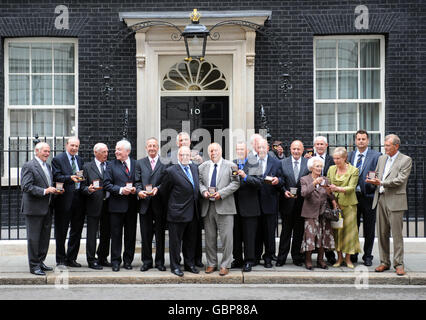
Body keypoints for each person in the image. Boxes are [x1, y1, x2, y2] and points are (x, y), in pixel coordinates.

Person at [367, 134, 412, 276]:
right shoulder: (382, 158)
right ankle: (384, 262)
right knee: (382, 233)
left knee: (397, 235)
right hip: (380, 198)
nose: (385, 148)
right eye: (384, 145)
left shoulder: (405, 160)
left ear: (396, 146)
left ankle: (399, 264)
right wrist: (373, 179)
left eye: (387, 145)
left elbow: (401, 180)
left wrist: (381, 183)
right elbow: (379, 174)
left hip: (396, 200)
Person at [199, 143, 240, 276]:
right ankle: (211, 263)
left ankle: (225, 264)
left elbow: (236, 183)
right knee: (210, 238)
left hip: (225, 206)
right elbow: (199, 182)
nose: (213, 153)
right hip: (208, 206)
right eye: (211, 151)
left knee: (227, 238)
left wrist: (221, 193)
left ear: (221, 151)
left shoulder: (231, 166)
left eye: (215, 150)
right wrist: (204, 191)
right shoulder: (202, 167)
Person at [161, 146, 200, 277]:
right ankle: (175, 266)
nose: (184, 157)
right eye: (182, 155)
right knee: (175, 242)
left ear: (190, 156)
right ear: (178, 156)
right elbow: (164, 192)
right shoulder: (171, 171)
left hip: (193, 212)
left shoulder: (194, 168)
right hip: (177, 212)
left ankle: (189, 264)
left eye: (187, 155)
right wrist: (173, 206)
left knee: (190, 241)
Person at [21, 142, 57, 275]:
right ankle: (34, 266)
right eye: (45, 151)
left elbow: (47, 184)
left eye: (48, 151)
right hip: (33, 209)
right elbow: (26, 186)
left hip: (46, 207)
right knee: (34, 238)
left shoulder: (47, 166)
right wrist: (45, 191)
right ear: (37, 151)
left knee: (44, 238)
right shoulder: (29, 166)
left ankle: (40, 262)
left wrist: (53, 190)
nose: (47, 154)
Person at [168, 131, 204, 268]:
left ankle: (192, 262)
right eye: (181, 140)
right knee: (176, 241)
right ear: (177, 144)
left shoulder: (196, 162)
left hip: (194, 208)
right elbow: (166, 188)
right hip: (178, 208)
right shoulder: (170, 161)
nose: (183, 142)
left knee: (192, 239)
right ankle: (176, 266)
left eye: (186, 140)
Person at [348, 130, 381, 266]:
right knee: (353, 227)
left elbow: (378, 172)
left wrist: (373, 185)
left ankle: (368, 255)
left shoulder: (376, 155)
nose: (361, 141)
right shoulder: (350, 155)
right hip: (352, 197)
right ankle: (354, 253)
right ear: (355, 141)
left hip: (368, 195)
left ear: (368, 141)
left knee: (369, 228)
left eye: (363, 139)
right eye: (358, 139)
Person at [103, 140, 137, 272]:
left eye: (119, 149)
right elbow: (106, 184)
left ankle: (128, 261)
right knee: (116, 235)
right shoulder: (111, 165)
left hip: (132, 206)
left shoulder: (135, 164)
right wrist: (121, 190)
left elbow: (139, 181)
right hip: (116, 206)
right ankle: (115, 261)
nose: (116, 151)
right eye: (116, 149)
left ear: (127, 151)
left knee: (130, 235)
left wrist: (136, 189)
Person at [52, 137, 85, 267]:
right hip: (64, 200)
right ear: (66, 145)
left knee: (76, 231)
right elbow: (56, 177)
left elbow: (82, 177)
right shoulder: (58, 159)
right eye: (72, 145)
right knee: (61, 231)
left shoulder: (79, 159)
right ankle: (60, 259)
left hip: (79, 199)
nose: (74, 148)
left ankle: (71, 258)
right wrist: (70, 178)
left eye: (76, 146)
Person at [135, 137, 167, 272]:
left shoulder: (165, 163)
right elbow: (136, 181)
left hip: (159, 204)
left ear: (158, 147)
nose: (152, 148)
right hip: (145, 205)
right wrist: (138, 191)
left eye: (154, 146)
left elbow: (166, 181)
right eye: (150, 146)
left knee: (160, 236)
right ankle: (146, 261)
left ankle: (160, 262)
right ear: (146, 148)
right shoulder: (139, 163)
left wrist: (158, 188)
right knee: (146, 235)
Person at [300, 157, 337, 270]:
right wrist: (314, 183)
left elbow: (331, 196)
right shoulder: (305, 179)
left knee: (322, 237)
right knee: (310, 237)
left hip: (323, 213)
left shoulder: (325, 180)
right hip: (310, 212)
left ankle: (321, 260)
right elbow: (304, 193)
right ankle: (308, 260)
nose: (319, 168)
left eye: (321, 166)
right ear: (311, 167)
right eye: (317, 166)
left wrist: (332, 196)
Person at [277, 140, 309, 267]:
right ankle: (281, 258)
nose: (296, 151)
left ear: (302, 150)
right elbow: (280, 181)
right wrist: (284, 191)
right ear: (290, 149)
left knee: (299, 232)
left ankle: (297, 257)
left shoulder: (308, 163)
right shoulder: (282, 163)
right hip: (287, 202)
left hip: (302, 203)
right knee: (285, 232)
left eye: (298, 149)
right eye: (294, 149)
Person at [327, 147, 360, 268]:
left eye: (338, 158)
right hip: (336, 205)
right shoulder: (331, 169)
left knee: (349, 233)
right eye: (334, 158)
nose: (335, 161)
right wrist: (334, 202)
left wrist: (338, 189)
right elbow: (328, 186)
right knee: (337, 232)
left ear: (345, 158)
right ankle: (339, 258)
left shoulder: (353, 170)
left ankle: (348, 259)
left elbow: (352, 187)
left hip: (349, 206)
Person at [232, 142, 263, 272]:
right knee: (236, 235)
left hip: (250, 207)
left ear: (247, 151)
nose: (239, 151)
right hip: (234, 207)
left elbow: (258, 183)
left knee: (249, 236)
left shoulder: (254, 163)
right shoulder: (232, 163)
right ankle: (237, 259)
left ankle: (249, 261)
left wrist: (245, 177)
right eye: (237, 149)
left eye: (241, 149)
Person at [81, 143, 111, 270]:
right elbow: (81, 187)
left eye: (107, 152)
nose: (106, 154)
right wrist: (88, 189)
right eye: (103, 152)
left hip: (108, 204)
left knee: (106, 233)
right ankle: (91, 259)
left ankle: (102, 257)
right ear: (96, 153)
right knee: (92, 234)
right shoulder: (87, 167)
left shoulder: (110, 165)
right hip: (93, 204)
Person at [256, 139, 284, 268]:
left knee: (269, 233)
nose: (261, 150)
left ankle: (268, 257)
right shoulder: (251, 162)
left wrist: (277, 180)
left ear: (268, 149)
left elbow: (282, 179)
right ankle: (256, 257)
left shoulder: (276, 162)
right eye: (259, 147)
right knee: (257, 233)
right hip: (255, 203)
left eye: (263, 147)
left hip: (270, 202)